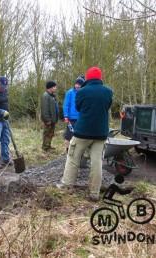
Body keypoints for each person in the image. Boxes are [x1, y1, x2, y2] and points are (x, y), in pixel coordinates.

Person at [57, 67, 113, 201]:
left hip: (82, 132)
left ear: (87, 78)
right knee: (97, 162)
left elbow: (78, 107)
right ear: (100, 78)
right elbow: (107, 107)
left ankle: (67, 186)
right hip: (100, 134)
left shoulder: (82, 91)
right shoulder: (108, 92)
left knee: (73, 158)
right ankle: (94, 193)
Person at [0, 76, 12, 169]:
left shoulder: (5, 92)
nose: (4, 87)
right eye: (3, 85)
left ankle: (5, 158)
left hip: (5, 119)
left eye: (6, 85)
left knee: (6, 140)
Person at [63, 76, 85, 152]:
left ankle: (77, 150)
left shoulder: (83, 93)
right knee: (69, 135)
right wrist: (66, 116)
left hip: (81, 118)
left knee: (79, 135)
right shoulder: (70, 92)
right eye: (76, 84)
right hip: (71, 118)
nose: (77, 86)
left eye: (79, 84)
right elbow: (66, 105)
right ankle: (67, 150)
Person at [41, 80, 58, 151]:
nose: (55, 88)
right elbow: (45, 109)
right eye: (54, 87)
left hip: (53, 119)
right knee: (47, 133)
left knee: (51, 133)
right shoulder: (46, 96)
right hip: (48, 120)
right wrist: (47, 120)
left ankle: (49, 146)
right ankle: (45, 148)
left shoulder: (52, 96)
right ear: (50, 88)